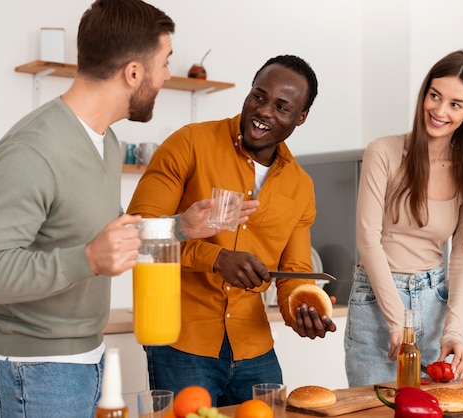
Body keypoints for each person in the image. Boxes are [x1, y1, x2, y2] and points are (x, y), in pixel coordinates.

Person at [0, 1, 258, 416]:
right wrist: (87, 259)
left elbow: (103, 238)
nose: (165, 76)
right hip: (29, 366)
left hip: (84, 356)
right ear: (134, 72)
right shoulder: (31, 151)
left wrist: (180, 227)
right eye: (164, 63)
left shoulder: (103, 140)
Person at [127, 54, 337, 406]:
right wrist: (216, 258)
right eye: (259, 96)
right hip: (181, 344)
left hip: (255, 350)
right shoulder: (190, 144)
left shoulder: (301, 186)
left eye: (282, 107)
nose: (264, 111)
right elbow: (139, 231)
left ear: (301, 117)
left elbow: (296, 271)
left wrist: (300, 310)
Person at [344, 49, 463, 387]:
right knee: (374, 408)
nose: (439, 111)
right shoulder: (382, 151)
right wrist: (398, 322)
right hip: (376, 303)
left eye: (456, 104)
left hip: (432, 300)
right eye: (434, 96)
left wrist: (454, 330)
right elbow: (368, 238)